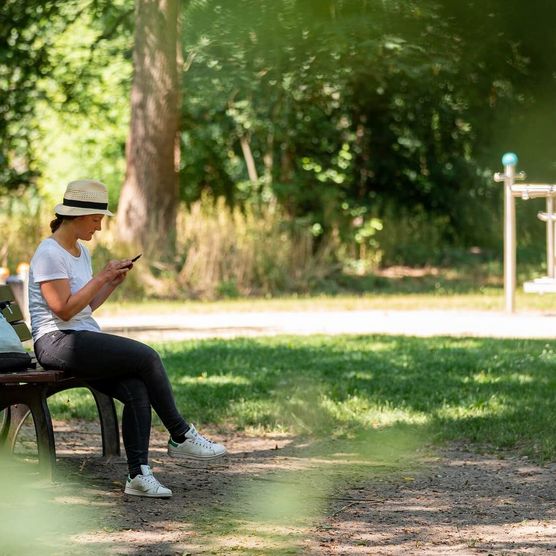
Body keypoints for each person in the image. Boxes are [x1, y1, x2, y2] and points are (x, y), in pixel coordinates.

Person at [29, 179, 226, 499]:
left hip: (79, 336)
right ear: (78, 215)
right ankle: (180, 434)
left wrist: (110, 283)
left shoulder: (81, 251)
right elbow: (62, 311)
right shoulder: (49, 252)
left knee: (136, 389)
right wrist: (101, 278)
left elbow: (85, 306)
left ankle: (138, 475)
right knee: (146, 357)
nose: (100, 226)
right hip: (56, 341)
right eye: (96, 219)